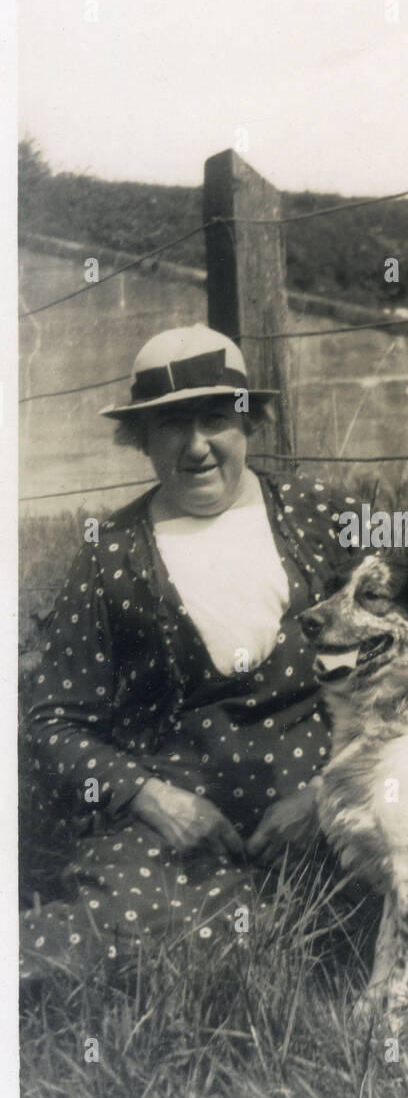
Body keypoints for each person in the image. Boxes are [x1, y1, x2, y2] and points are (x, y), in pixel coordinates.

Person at [21, 324, 359, 975]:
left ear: (249, 425)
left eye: (215, 419)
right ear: (141, 440)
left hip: (326, 802)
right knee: (118, 935)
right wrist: (155, 800)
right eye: (174, 425)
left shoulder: (321, 516)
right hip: (177, 822)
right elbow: (54, 721)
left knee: (387, 896)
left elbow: (406, 673)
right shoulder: (111, 553)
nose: (198, 446)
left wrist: (324, 796)